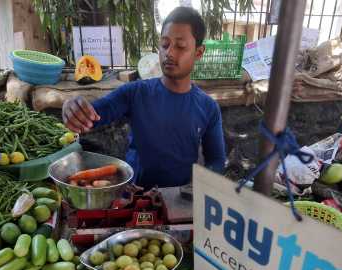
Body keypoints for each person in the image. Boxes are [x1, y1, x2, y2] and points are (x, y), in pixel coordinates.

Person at [62, 6, 226, 189]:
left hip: (178, 200)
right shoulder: (135, 93)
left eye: (180, 46)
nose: (169, 53)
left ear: (199, 53)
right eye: (165, 44)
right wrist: (73, 107)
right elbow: (95, 113)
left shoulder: (208, 107)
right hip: (134, 196)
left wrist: (204, 185)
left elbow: (217, 159)